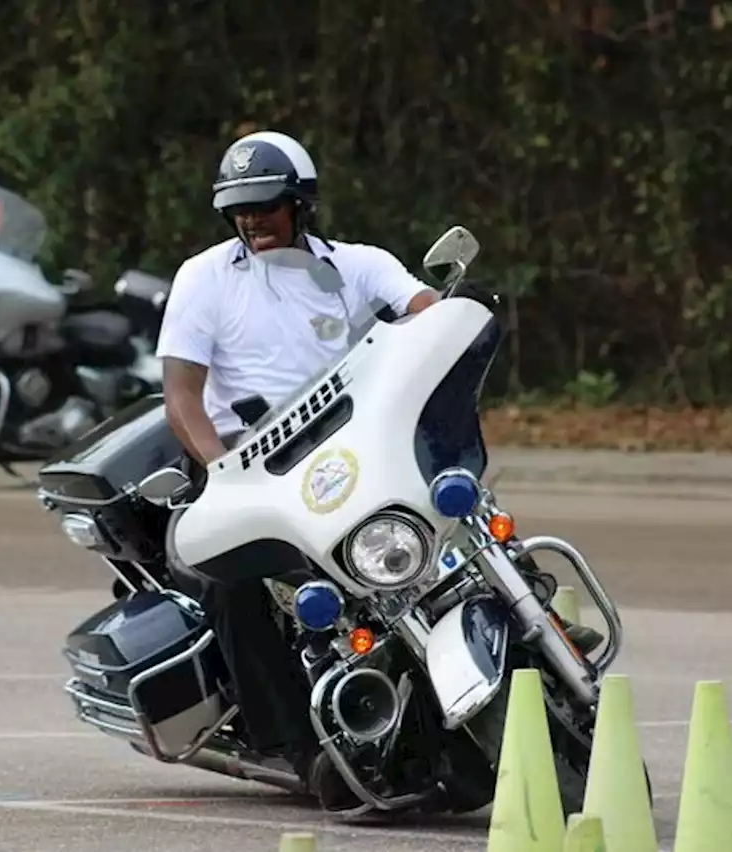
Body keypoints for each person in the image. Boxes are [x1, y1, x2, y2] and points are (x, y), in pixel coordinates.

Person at [154, 130, 602, 810]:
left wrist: (458, 311)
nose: (252, 220)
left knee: (460, 513)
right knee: (235, 587)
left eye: (267, 206)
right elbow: (182, 394)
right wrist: (220, 472)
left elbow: (424, 314)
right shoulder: (204, 277)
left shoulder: (359, 266)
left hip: (356, 450)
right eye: (240, 209)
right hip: (258, 474)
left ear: (301, 204)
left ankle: (535, 620)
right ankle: (304, 753)